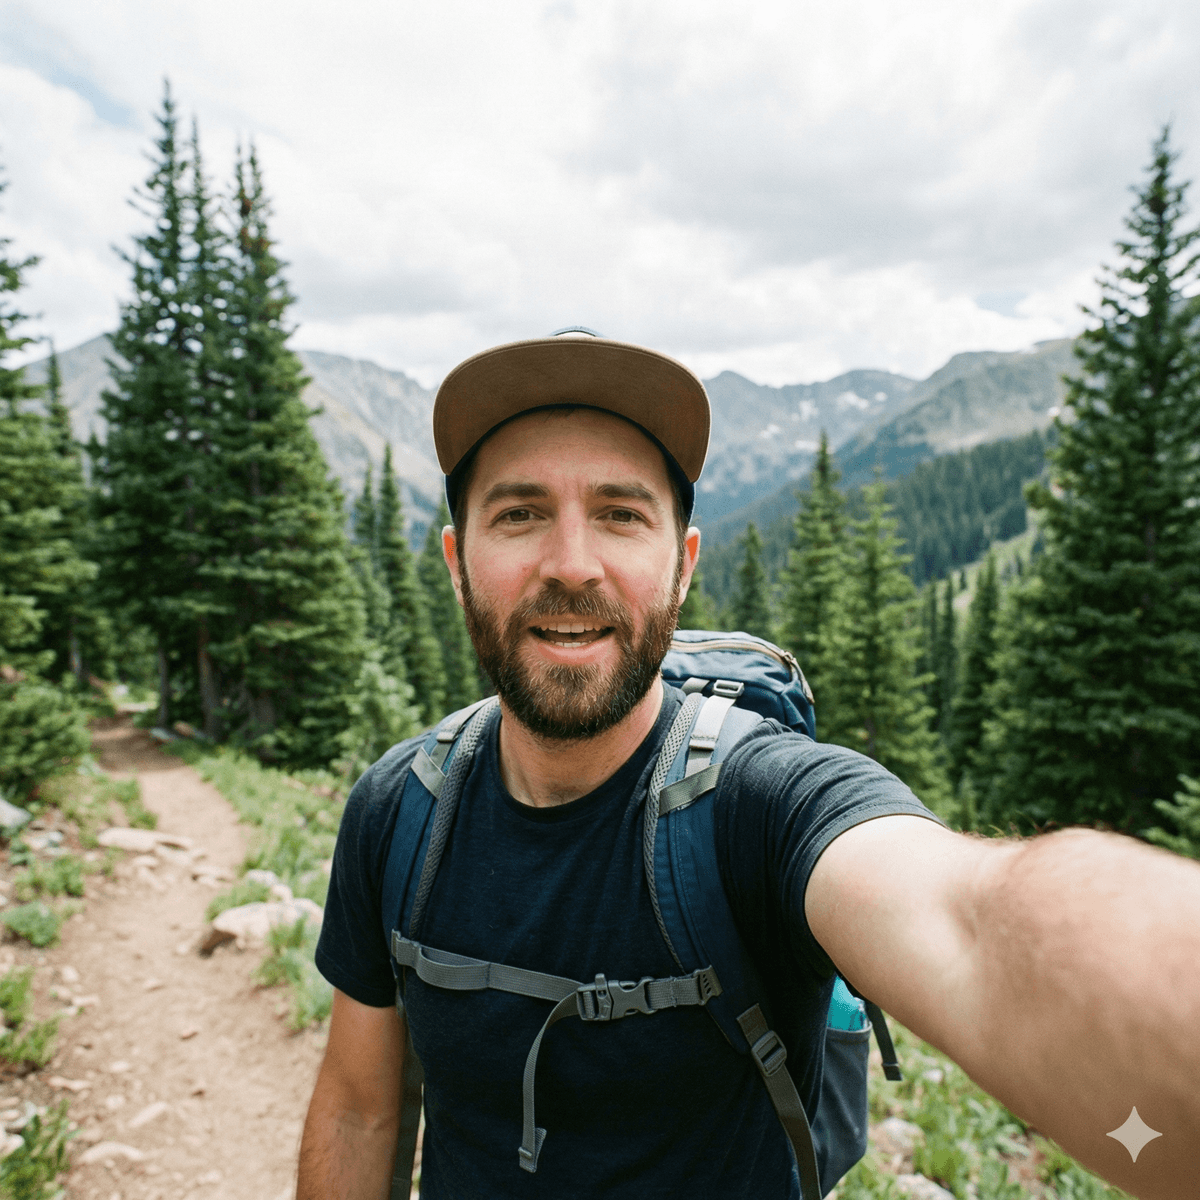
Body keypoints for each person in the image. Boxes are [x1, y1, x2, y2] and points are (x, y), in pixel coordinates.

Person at [297, 330, 1200, 1200]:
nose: (572, 565)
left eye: (620, 514)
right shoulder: (397, 811)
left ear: (682, 568)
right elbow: (358, 1110)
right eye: (520, 513)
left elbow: (969, 922)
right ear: (458, 563)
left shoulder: (762, 806)